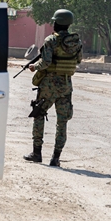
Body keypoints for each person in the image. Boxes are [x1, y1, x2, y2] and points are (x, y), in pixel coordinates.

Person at [23, 9, 82, 167]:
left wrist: (34, 66)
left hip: (49, 84)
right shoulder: (76, 42)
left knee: (39, 114)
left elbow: (46, 63)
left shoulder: (51, 40)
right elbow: (79, 60)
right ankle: (55, 158)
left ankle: (37, 153)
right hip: (66, 85)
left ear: (56, 23)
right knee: (62, 121)